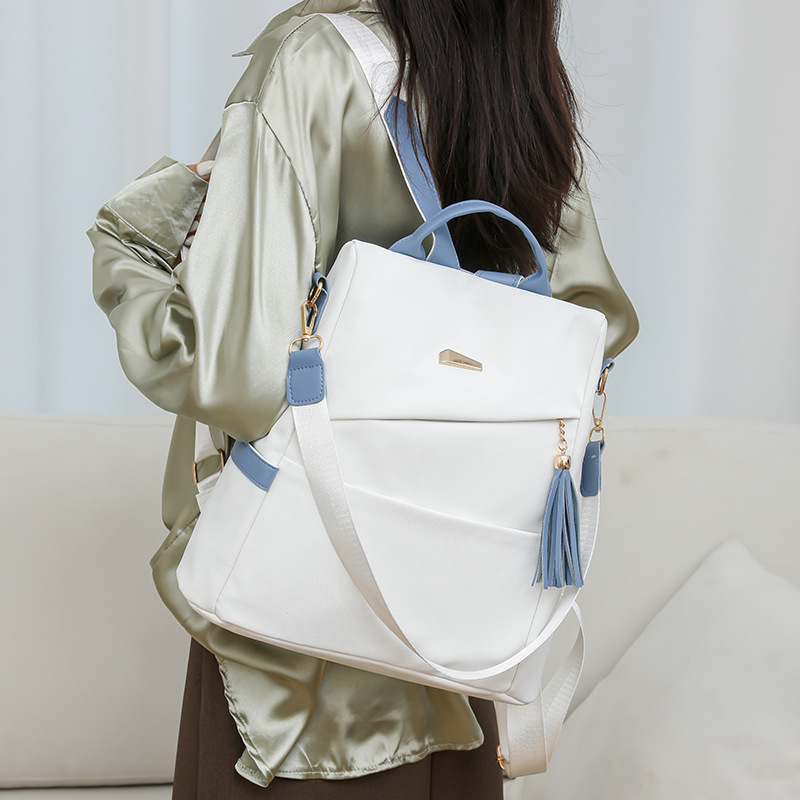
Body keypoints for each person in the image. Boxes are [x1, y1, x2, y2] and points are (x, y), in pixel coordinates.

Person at [88, 0, 639, 796]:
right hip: (455, 638)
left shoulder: (316, 61)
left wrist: (128, 246)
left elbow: (236, 374)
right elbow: (589, 323)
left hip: (297, 661)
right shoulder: (518, 77)